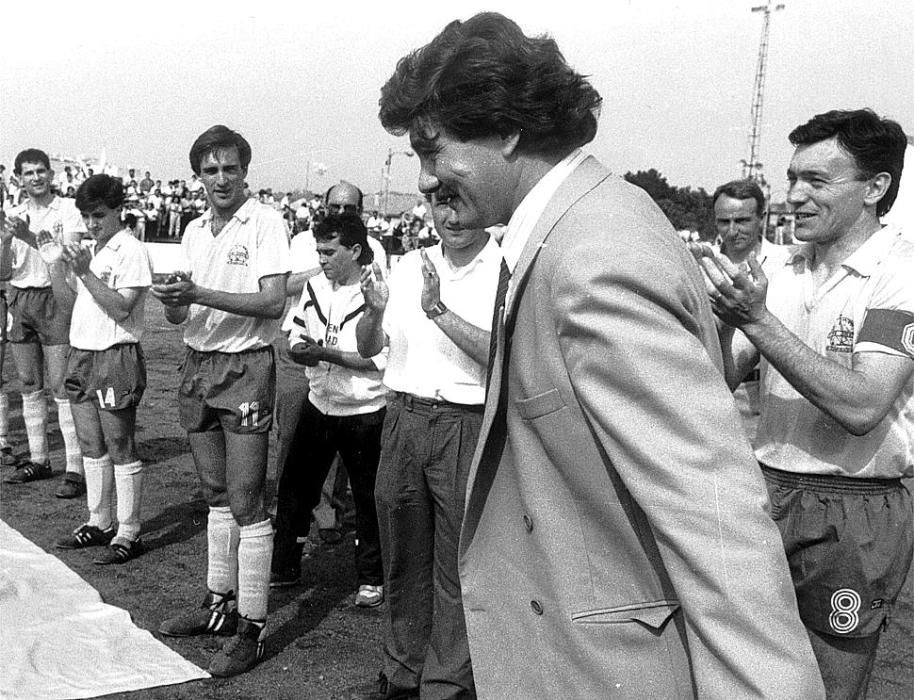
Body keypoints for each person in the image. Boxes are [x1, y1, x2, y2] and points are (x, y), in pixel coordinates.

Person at [378, 12, 824, 698]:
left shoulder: (592, 255)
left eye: (432, 150)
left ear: (507, 129)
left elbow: (712, 513)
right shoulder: (573, 229)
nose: (430, 178)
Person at [698, 108, 913, 700]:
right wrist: (717, 323)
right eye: (793, 178)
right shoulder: (778, 267)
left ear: (876, 188)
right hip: (765, 488)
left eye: (817, 181)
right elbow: (720, 377)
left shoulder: (900, 271)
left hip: (853, 506)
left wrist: (757, 321)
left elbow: (864, 405)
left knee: (830, 685)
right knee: (744, 675)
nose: (794, 195)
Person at [152, 125, 289, 677]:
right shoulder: (192, 230)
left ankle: (252, 627)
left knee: (247, 499)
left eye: (230, 168)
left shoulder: (266, 222)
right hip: (197, 362)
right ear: (198, 177)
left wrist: (200, 293)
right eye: (210, 170)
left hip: (246, 367)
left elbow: (273, 301)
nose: (221, 179)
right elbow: (179, 316)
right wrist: (174, 302)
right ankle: (217, 604)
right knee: (213, 494)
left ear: (244, 171)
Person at [357, 195, 501, 698]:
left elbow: (499, 354)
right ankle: (402, 672)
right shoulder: (407, 265)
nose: (453, 216)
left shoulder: (504, 267)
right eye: (441, 205)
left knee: (455, 564)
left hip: (465, 422)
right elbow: (369, 346)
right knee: (402, 556)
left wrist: (437, 310)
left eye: (462, 203)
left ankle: (446, 684)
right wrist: (374, 314)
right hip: (403, 419)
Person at [270, 213, 386, 608]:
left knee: (368, 498)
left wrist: (324, 353)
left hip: (365, 409)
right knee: (295, 488)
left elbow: (375, 360)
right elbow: (296, 332)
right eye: (319, 251)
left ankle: (371, 578)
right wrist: (299, 348)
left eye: (330, 251)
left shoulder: (378, 291)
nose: (322, 259)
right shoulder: (316, 286)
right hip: (320, 403)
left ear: (354, 250)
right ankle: (284, 566)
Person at [49, 174, 152, 564]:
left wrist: (87, 272)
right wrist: (58, 268)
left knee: (120, 443)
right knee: (90, 443)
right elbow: (68, 302)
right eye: (87, 216)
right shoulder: (90, 250)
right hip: (82, 351)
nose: (92, 223)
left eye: (99, 215)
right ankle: (99, 521)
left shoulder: (131, 250)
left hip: (115, 353)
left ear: (117, 211)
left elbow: (122, 307)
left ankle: (129, 530)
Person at [0, 149, 85, 497]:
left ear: (51, 175)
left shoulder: (67, 210)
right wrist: (6, 240)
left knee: (61, 384)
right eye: (28, 173)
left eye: (40, 172)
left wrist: (28, 236)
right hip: (21, 298)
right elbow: (4, 272)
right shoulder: (13, 214)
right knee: (29, 381)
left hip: (55, 296)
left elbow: (68, 255)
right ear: (18, 178)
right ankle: (38, 458)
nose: (35, 178)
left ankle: (76, 467)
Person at [712, 179, 791, 441]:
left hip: (764, 389)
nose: (732, 231)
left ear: (762, 218)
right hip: (713, 382)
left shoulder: (789, 263)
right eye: (724, 222)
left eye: (743, 221)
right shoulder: (702, 263)